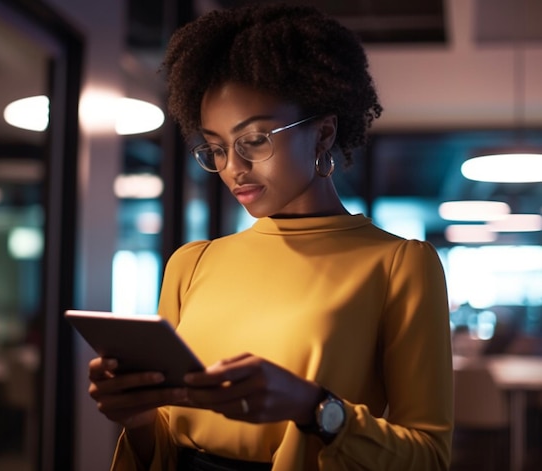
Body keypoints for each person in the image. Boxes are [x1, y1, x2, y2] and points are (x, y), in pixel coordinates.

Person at [88, 3, 453, 470]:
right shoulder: (192, 263)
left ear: (322, 134)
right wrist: (136, 418)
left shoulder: (398, 265)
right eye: (216, 148)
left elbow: (429, 456)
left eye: (254, 140)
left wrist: (314, 408)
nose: (233, 168)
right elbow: (163, 440)